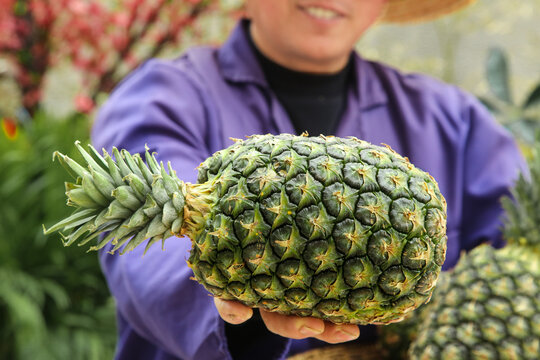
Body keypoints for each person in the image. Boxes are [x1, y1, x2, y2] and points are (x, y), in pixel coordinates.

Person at [91, 1, 526, 359]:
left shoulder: (455, 120)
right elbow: (149, 260)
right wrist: (238, 298)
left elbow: (520, 268)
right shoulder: (162, 96)